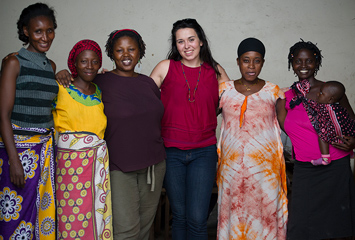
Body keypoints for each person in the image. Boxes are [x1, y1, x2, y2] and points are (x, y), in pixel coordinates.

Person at [56, 29, 166, 240]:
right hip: (119, 168)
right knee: (125, 230)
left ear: (140, 52)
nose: (126, 55)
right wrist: (60, 73)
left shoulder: (148, 83)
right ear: (111, 53)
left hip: (154, 166)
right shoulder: (99, 83)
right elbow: (74, 89)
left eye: (131, 49)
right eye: (119, 50)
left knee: (144, 227)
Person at [150, 18, 230, 239]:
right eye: (180, 41)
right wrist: (108, 79)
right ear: (175, 45)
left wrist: (274, 91)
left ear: (201, 41)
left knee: (197, 218)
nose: (187, 46)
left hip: (203, 152)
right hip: (171, 152)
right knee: (181, 216)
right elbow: (141, 97)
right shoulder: (166, 67)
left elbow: (236, 100)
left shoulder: (215, 71)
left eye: (191, 39)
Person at [277, 39, 355, 240]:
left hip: (336, 166)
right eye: (298, 61)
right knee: (300, 227)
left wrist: (353, 140)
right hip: (305, 167)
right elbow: (282, 124)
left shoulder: (331, 90)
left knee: (338, 226)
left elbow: (351, 121)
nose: (303, 66)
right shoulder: (285, 97)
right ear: (291, 63)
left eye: (309, 61)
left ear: (317, 63)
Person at [216, 37, 288, 240]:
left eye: (257, 60)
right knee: (233, 214)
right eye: (246, 60)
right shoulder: (224, 90)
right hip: (231, 171)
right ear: (238, 61)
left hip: (265, 172)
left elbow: (289, 126)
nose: (251, 66)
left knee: (265, 214)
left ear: (263, 62)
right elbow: (202, 118)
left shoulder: (273, 91)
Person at [0, 3, 57, 239]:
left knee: (40, 213)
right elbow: (2, 114)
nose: (45, 37)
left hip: (44, 150)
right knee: (14, 213)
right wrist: (14, 160)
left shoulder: (51, 66)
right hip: (18, 150)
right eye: (38, 31)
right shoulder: (14, 62)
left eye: (50, 30)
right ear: (26, 31)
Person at [53, 39, 113, 239]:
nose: (89, 66)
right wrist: (57, 74)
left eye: (95, 62)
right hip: (68, 169)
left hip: (95, 168)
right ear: (74, 63)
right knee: (68, 216)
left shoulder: (99, 92)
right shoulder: (59, 87)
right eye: (84, 61)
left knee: (93, 215)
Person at [290, 79, 355, 166]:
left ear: (330, 99)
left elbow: (313, 109)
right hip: (340, 133)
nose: (318, 94)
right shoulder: (337, 107)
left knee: (322, 135)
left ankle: (325, 157)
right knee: (342, 136)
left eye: (321, 93)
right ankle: (351, 153)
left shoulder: (324, 107)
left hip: (337, 155)